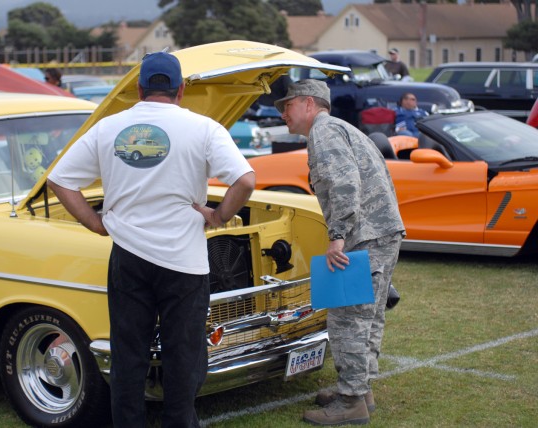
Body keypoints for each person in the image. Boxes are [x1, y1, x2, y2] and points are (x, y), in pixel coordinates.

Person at [47, 51, 255, 427]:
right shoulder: (204, 128)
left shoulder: (108, 127)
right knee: (184, 355)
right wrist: (218, 216)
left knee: (129, 355)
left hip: (128, 256)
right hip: (185, 261)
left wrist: (95, 222)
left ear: (139, 89)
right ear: (182, 89)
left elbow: (59, 180)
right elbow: (245, 180)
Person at [274, 79, 405, 426]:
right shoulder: (341, 128)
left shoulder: (324, 132)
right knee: (368, 316)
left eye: (287, 106)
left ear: (308, 103)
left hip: (362, 237)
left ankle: (351, 402)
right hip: (381, 232)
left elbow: (345, 184)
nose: (283, 113)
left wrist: (338, 237)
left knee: (348, 317)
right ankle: (360, 390)